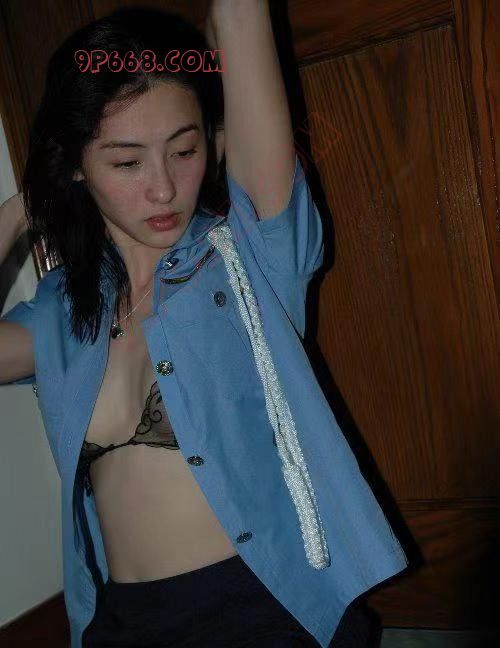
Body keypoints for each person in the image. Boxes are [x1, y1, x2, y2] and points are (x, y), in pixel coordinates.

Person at [0, 3, 409, 647]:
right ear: (77, 164)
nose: (164, 188)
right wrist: (23, 206)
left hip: (262, 611)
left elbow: (240, 15)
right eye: (126, 162)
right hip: (122, 624)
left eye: (184, 150)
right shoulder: (63, 309)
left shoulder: (251, 253)